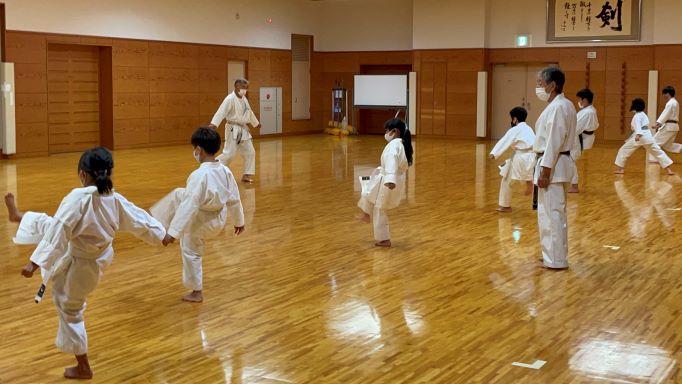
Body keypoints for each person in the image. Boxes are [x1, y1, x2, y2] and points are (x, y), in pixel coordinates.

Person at [5, 147, 167, 380]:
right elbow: (139, 219)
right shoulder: (113, 197)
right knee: (49, 223)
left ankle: (84, 366)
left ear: (82, 174)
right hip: (92, 253)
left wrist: (35, 263)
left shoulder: (77, 198)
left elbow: (61, 230)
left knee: (69, 306)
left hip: (85, 264)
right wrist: (162, 234)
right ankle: (19, 216)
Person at [152, 127, 245, 303]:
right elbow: (234, 199)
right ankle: (157, 220)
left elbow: (189, 206)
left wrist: (173, 233)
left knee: (190, 249)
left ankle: (196, 292)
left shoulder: (199, 175)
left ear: (199, 150)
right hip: (218, 218)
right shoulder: (225, 171)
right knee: (180, 193)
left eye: (194, 148)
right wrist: (239, 221)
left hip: (202, 222)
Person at [533, 67, 577, 270]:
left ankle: (557, 259)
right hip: (554, 163)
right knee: (548, 213)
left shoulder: (560, 107)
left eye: (540, 84)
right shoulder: (561, 105)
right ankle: (551, 254)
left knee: (553, 214)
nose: (538, 87)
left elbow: (554, 141)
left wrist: (545, 170)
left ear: (552, 85)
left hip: (554, 165)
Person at [356, 118, 413, 247]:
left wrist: (390, 180)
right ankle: (366, 213)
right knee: (367, 187)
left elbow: (392, 162)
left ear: (395, 131)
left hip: (389, 179)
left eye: (387, 130)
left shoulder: (395, 145)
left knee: (379, 206)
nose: (386, 134)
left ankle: (384, 239)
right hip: (389, 177)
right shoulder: (402, 144)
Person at [209, 78, 261, 184]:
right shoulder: (230, 99)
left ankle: (247, 175)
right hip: (233, 128)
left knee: (250, 152)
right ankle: (211, 168)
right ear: (236, 87)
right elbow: (221, 111)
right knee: (229, 154)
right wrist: (214, 124)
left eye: (246, 88)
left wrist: (256, 123)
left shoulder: (244, 99)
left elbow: (249, 113)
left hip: (243, 129)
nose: (244, 90)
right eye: (243, 87)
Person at [489, 107, 535, 212]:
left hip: (520, 157)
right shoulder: (529, 128)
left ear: (514, 119)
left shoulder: (514, 130)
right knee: (527, 174)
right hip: (532, 156)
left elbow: (504, 141)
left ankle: (505, 206)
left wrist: (494, 153)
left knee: (507, 180)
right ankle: (529, 181)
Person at [614, 98, 674, 175]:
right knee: (658, 152)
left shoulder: (637, 116)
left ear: (634, 106)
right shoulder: (644, 114)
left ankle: (620, 169)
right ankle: (669, 170)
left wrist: (638, 135)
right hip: (648, 137)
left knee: (624, 150)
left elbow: (638, 126)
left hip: (639, 136)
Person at [568, 88, 599, 193]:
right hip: (580, 137)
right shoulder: (589, 110)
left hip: (580, 139)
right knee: (569, 160)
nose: (579, 102)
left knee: (570, 159)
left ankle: (574, 185)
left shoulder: (588, 112)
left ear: (585, 100)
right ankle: (570, 183)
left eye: (580, 99)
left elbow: (575, 128)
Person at [649, 85, 682, 163]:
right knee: (668, 145)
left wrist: (657, 124)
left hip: (669, 127)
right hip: (673, 127)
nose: (663, 95)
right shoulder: (675, 102)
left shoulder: (671, 103)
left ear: (668, 94)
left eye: (664, 93)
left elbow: (665, 114)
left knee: (654, 142)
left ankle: (654, 159)